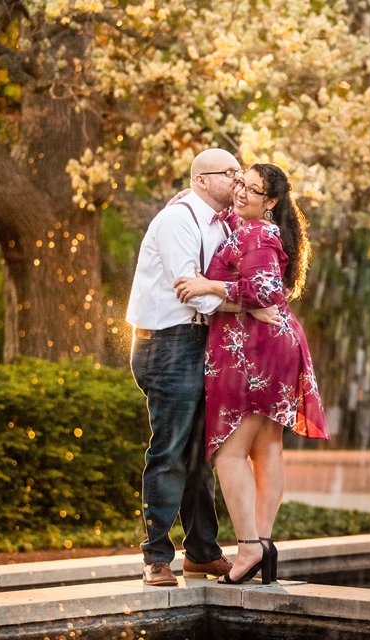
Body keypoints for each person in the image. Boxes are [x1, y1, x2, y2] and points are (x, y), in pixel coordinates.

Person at [126, 148, 277, 586]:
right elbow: (190, 289)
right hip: (167, 344)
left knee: (199, 453)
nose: (237, 180)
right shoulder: (178, 220)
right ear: (201, 180)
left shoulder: (220, 222)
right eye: (228, 173)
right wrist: (245, 306)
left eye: (238, 172)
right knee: (170, 450)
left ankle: (202, 553)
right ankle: (156, 558)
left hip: (199, 341)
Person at [174, 163, 330, 584]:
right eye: (240, 182)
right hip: (268, 343)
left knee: (228, 452)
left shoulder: (258, 234)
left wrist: (209, 286)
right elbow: (254, 285)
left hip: (254, 350)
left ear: (271, 202)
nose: (241, 192)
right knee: (265, 448)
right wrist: (183, 202)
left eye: (252, 190)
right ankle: (263, 543)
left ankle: (247, 549)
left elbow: (264, 292)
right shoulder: (247, 225)